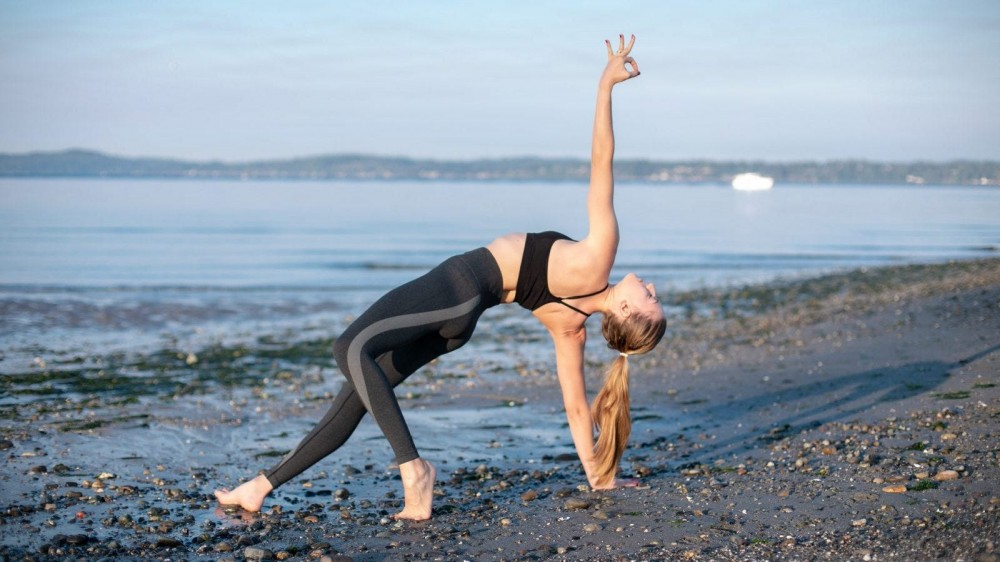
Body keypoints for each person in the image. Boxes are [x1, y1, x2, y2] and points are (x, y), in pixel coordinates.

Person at [214, 34, 665, 521]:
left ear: (624, 310)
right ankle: (260, 487)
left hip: (460, 286)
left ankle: (414, 470)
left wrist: (605, 87)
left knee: (348, 348)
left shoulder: (600, 258)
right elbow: (577, 410)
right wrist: (599, 476)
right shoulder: (570, 325)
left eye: (650, 299)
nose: (652, 288)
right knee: (356, 398)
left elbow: (602, 161)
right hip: (461, 321)